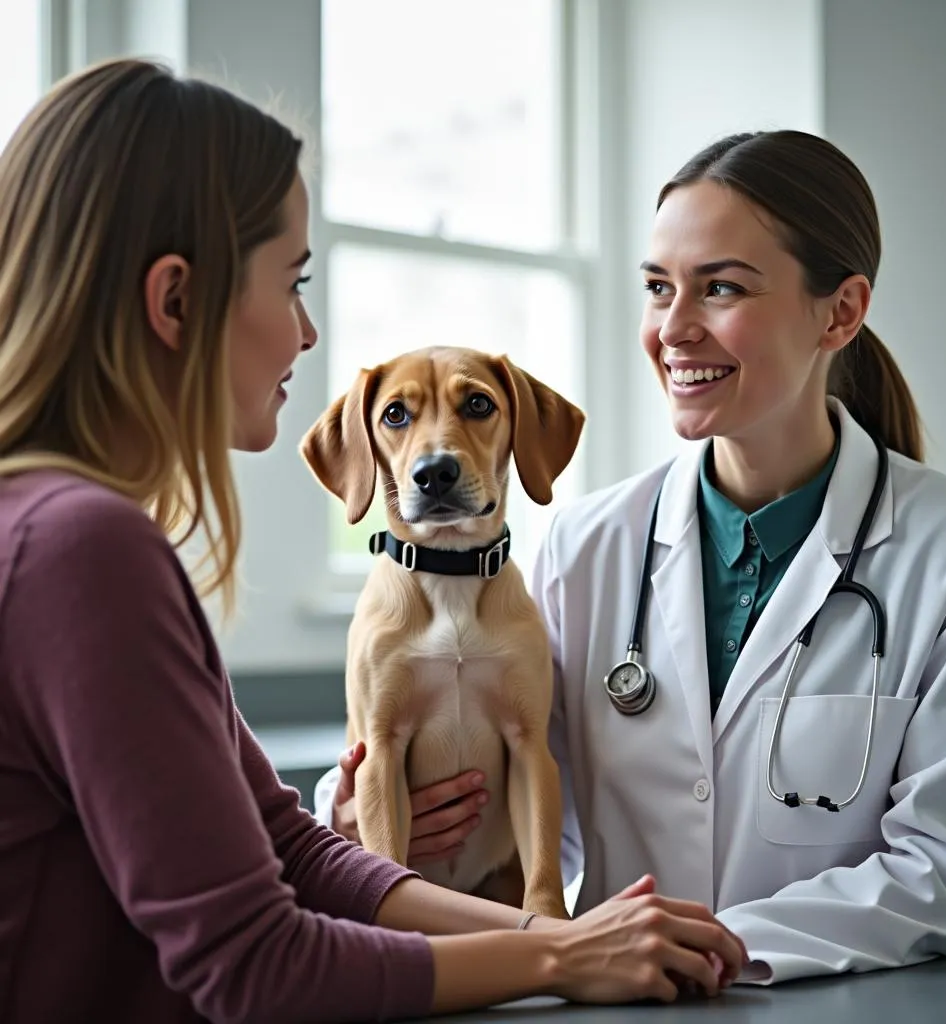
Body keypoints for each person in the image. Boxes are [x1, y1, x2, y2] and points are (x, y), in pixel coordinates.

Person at [0, 58, 749, 1024]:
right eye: (291, 281)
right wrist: (558, 964)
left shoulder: (74, 532)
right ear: (176, 301)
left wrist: (552, 933)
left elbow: (295, 850)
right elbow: (255, 967)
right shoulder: (79, 551)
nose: (307, 334)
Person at [319, 129, 946, 985]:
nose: (674, 330)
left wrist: (698, 948)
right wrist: (356, 814)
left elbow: (944, 871)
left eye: (720, 287)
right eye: (658, 289)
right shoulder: (584, 547)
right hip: (614, 1003)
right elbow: (530, 799)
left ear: (839, 312)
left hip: (842, 1004)